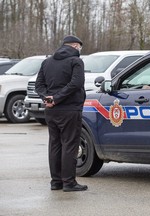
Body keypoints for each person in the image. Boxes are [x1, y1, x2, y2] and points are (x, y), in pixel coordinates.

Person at [35, 35, 87, 192]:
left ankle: (56, 181)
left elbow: (39, 85)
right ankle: (69, 182)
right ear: (75, 46)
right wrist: (56, 98)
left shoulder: (47, 62)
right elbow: (76, 84)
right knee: (70, 145)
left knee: (55, 145)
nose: (79, 50)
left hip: (51, 110)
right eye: (79, 47)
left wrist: (48, 98)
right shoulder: (76, 61)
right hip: (70, 109)